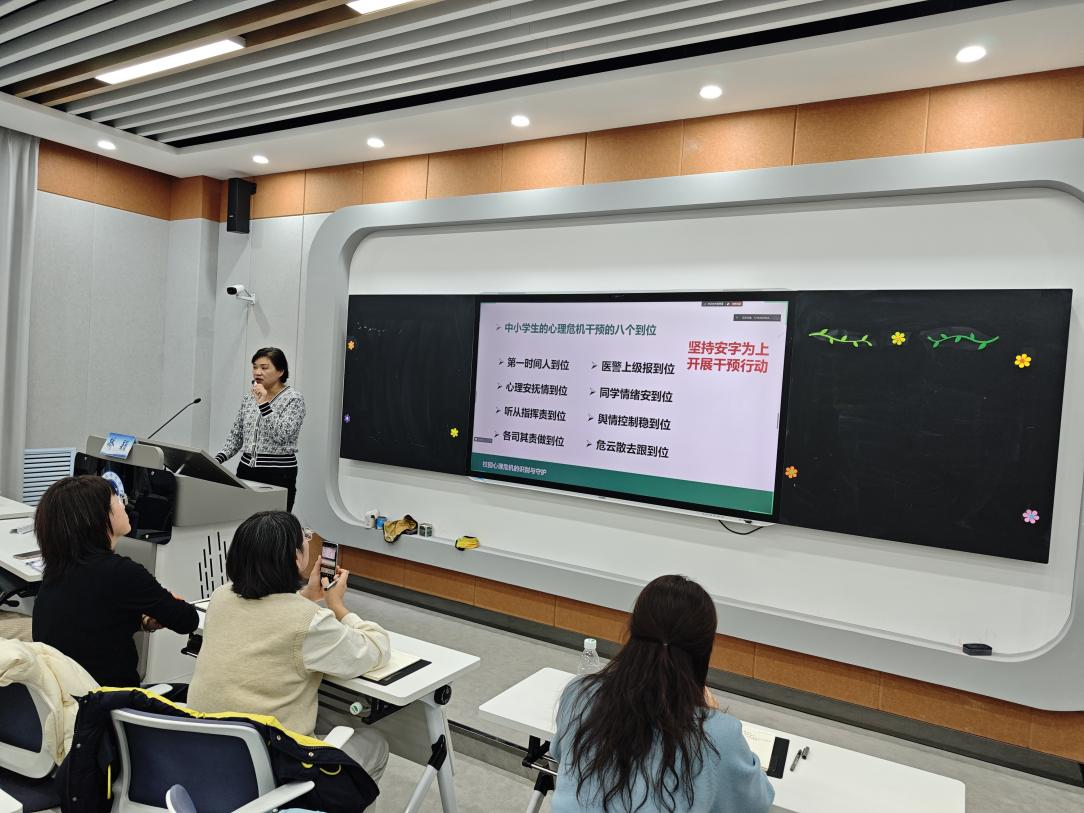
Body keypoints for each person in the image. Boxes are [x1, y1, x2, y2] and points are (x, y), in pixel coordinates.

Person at [187, 511, 391, 782]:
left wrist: (305, 596)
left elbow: (269, 615)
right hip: (272, 761)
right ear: (297, 558)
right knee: (375, 744)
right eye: (305, 538)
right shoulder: (309, 622)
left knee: (329, 716)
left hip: (205, 748)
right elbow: (376, 648)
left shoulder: (220, 597)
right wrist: (337, 605)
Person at [550, 575, 774, 813]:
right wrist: (710, 714)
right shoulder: (717, 735)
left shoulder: (577, 694)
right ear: (704, 650)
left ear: (631, 632)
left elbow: (560, 754)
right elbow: (756, 803)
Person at [31, 475, 198, 687]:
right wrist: (170, 604)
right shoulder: (122, 573)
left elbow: (92, 623)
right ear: (100, 517)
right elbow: (187, 620)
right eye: (117, 500)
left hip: (67, 696)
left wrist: (142, 621)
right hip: (113, 700)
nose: (125, 505)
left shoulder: (58, 568)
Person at [215, 347, 306, 512]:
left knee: (273, 524)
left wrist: (264, 404)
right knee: (243, 520)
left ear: (280, 371)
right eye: (255, 367)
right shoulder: (249, 397)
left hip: (278, 473)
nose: (257, 372)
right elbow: (236, 436)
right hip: (246, 471)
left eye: (264, 368)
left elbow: (282, 435)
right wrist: (217, 460)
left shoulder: (294, 398)